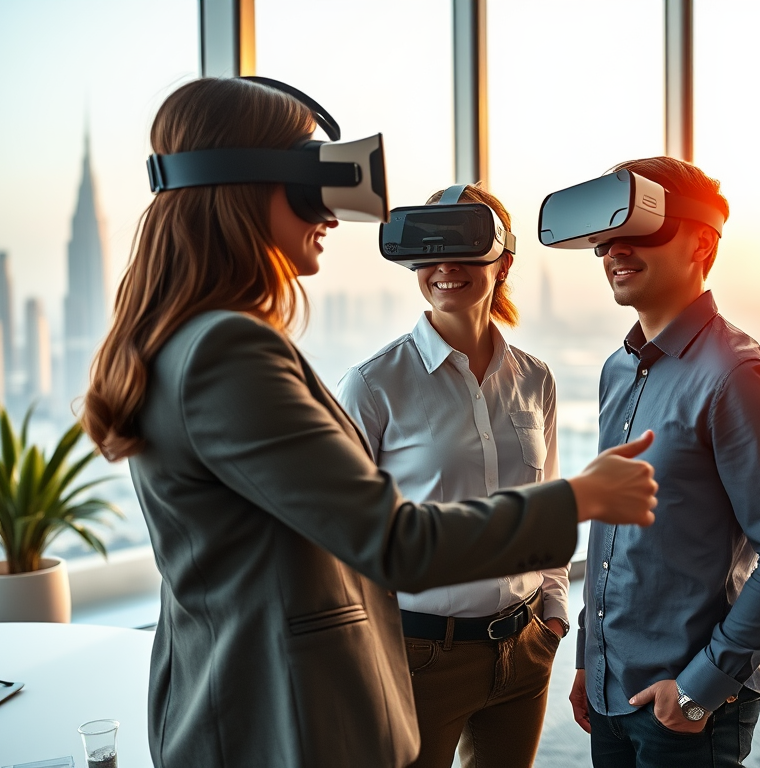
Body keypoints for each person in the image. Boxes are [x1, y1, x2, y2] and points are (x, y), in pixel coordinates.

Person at [79, 77, 659, 768]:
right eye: (310, 181)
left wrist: (552, 607)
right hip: (279, 716)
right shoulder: (228, 352)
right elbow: (393, 541)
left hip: (279, 700)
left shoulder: (197, 342)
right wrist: (582, 498)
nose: (330, 213)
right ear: (249, 187)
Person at [564, 156, 760, 767]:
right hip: (611, 690)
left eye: (641, 231)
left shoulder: (740, 379)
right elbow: (611, 536)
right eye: (605, 236)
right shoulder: (617, 368)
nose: (614, 251)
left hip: (686, 709)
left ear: (701, 243)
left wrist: (700, 690)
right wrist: (588, 660)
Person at [338, 184, 567, 768]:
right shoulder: (373, 386)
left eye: (464, 248)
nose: (444, 267)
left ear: (503, 260)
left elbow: (548, 507)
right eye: (429, 252)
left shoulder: (535, 379)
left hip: (524, 647)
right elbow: (341, 537)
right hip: (418, 656)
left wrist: (554, 614)